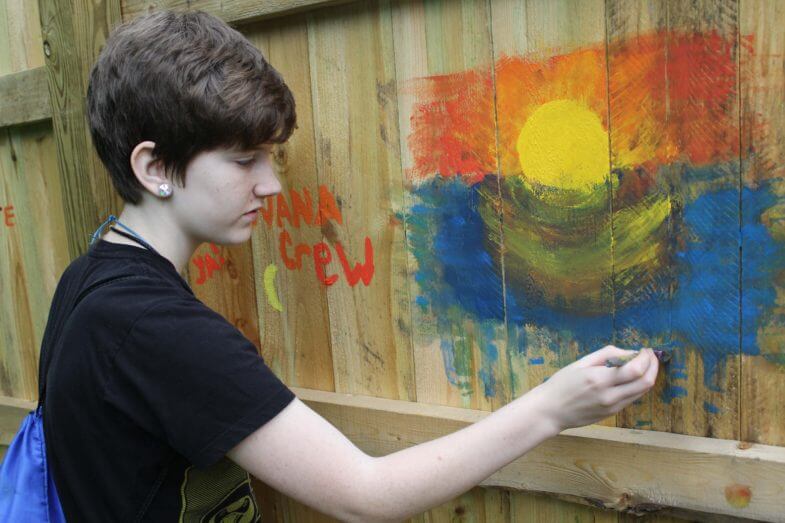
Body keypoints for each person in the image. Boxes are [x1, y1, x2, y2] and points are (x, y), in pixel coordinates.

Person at [40, 9, 660, 522]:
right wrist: (552, 407)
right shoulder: (157, 329)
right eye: (242, 160)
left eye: (270, 156)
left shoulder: (88, 280)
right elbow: (368, 494)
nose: (272, 184)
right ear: (154, 168)